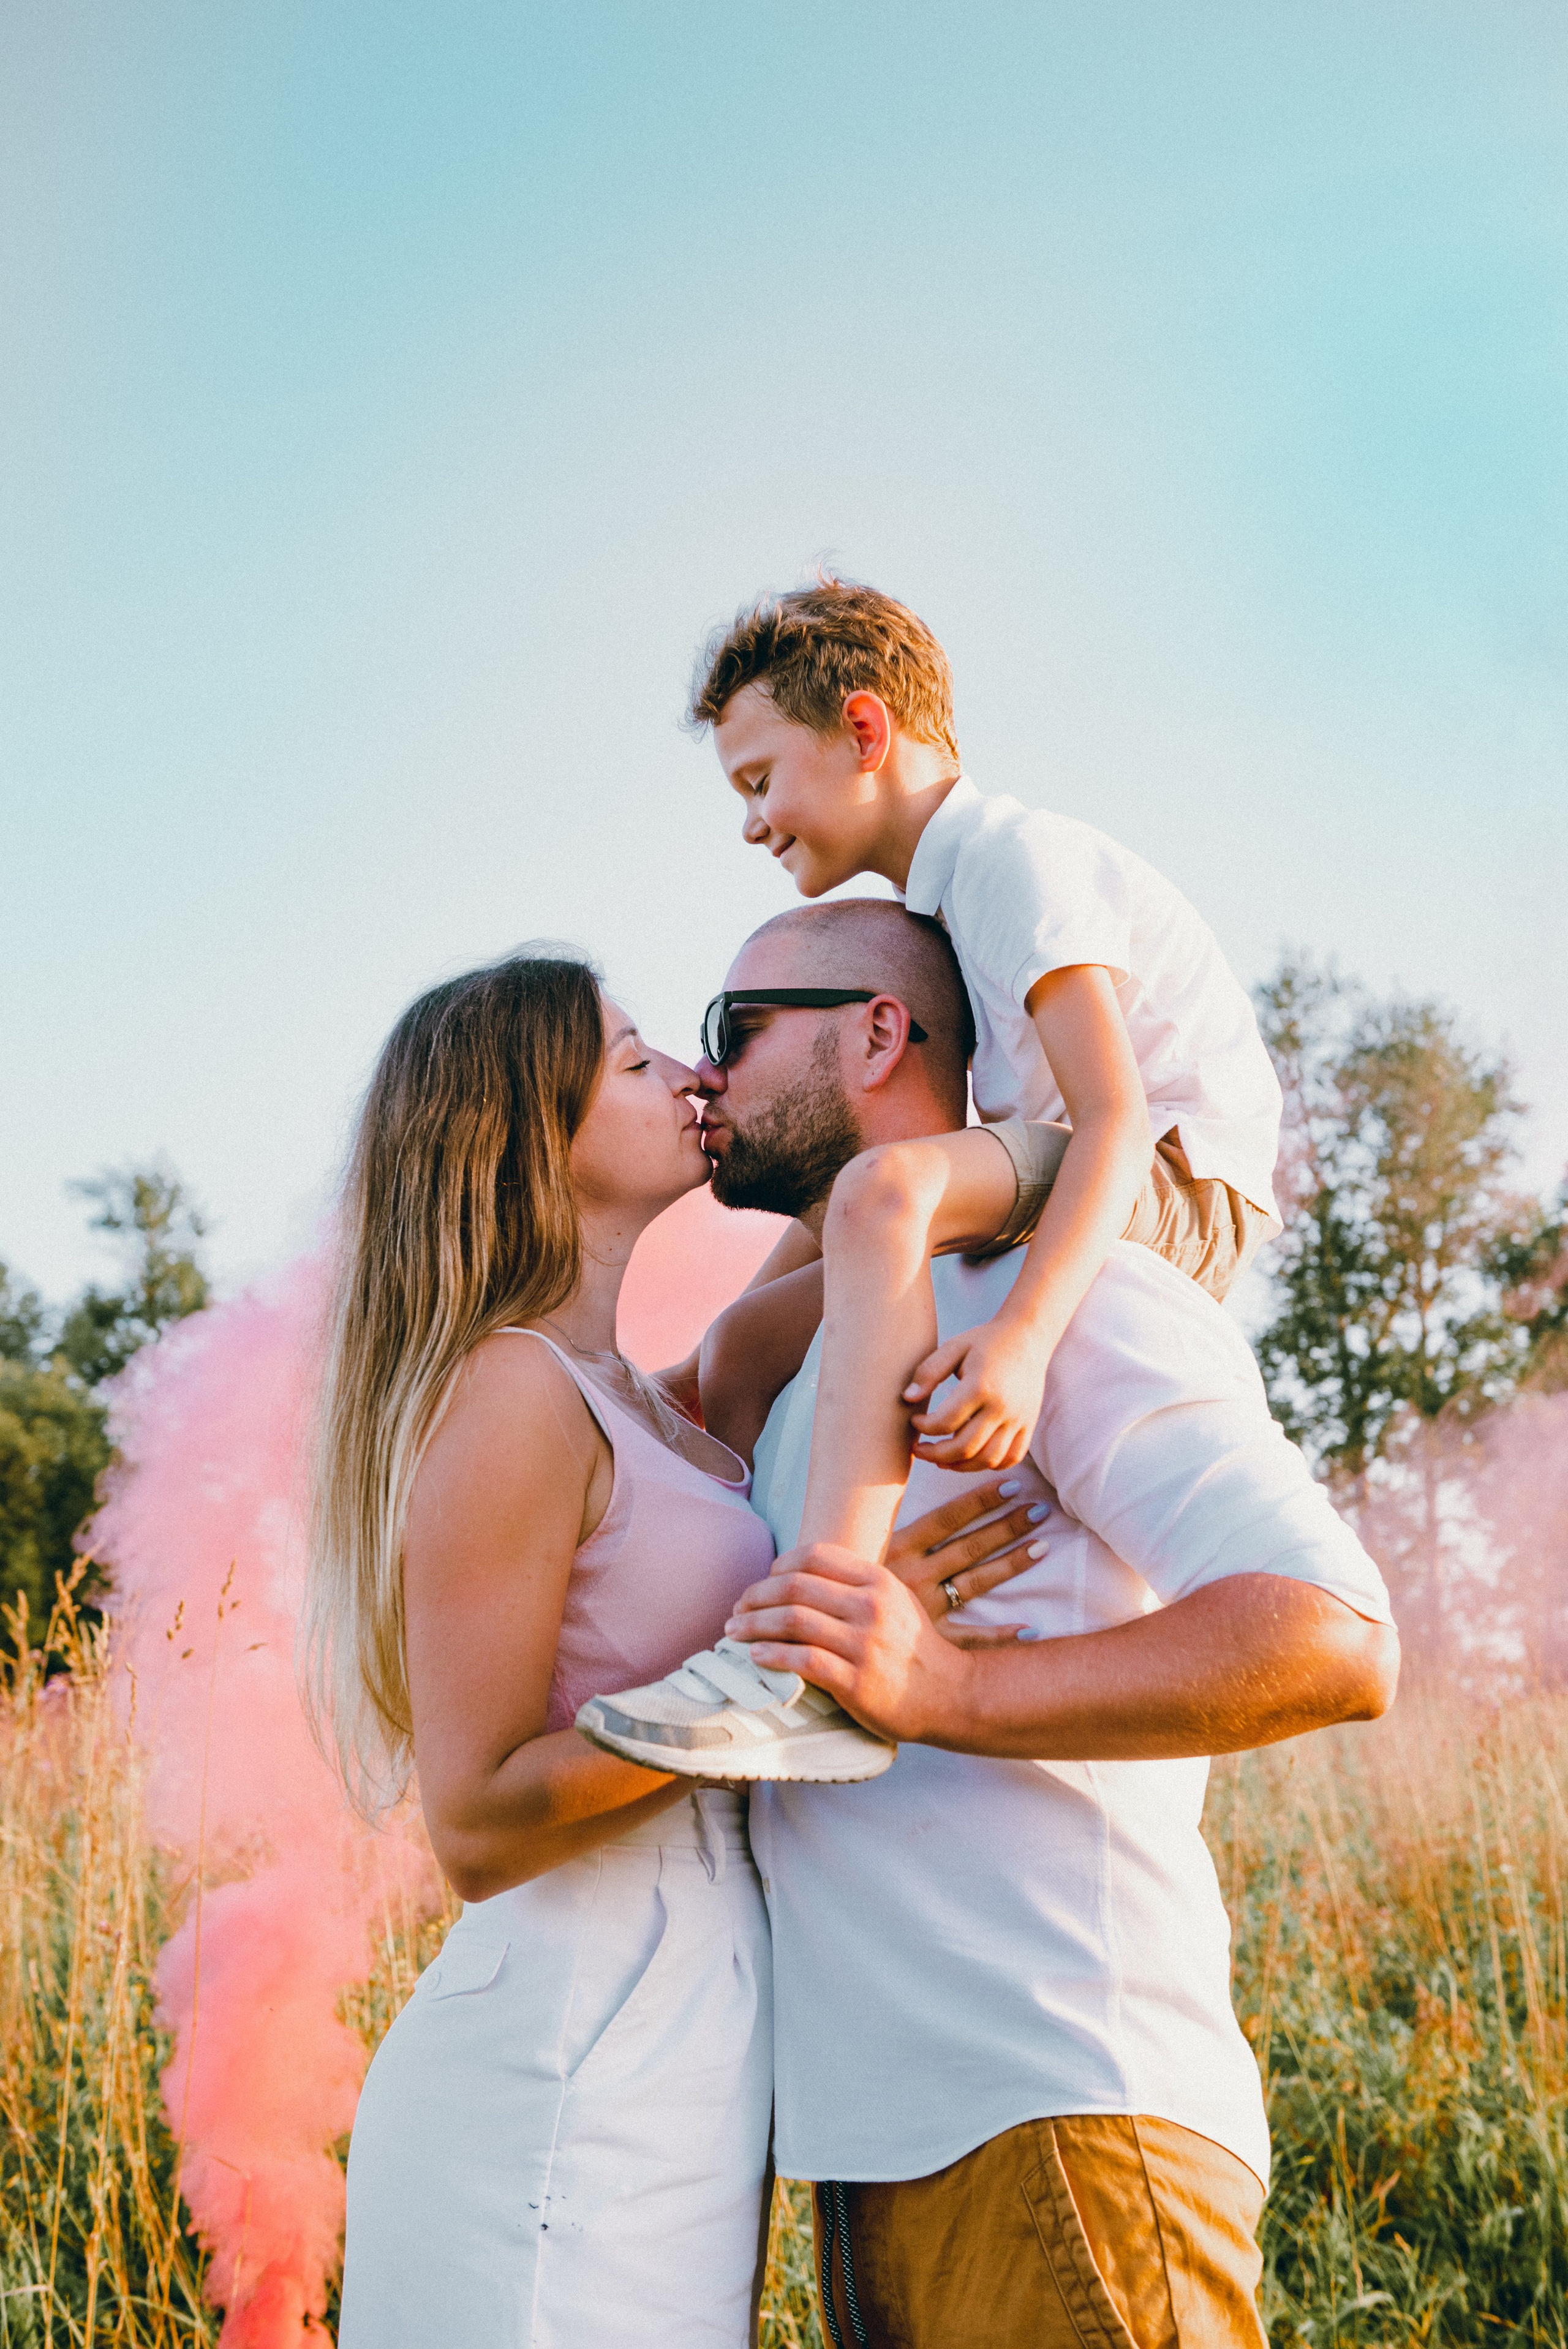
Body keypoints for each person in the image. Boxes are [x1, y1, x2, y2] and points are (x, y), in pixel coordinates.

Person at [602, 900, 1400, 2347]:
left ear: (876, 1031)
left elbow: (1332, 1632)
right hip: (872, 2161)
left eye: (737, 1030)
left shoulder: (1057, 1300)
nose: (706, 1075)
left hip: (1061, 2111)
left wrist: (947, 1691)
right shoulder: (805, 1377)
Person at [303, 946, 1044, 2348]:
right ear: (534, 1133)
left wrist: (1101, 1110)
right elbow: (472, 1819)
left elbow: (884, 1211)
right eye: (639, 1060)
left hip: (684, 2037)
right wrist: (787, 1672)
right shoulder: (511, 1393)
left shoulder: (663, 1395)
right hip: (559, 2054)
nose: (693, 1077)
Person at [689, 576, 1286, 1574]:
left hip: (1179, 1177)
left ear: (864, 731)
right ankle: (732, 1595)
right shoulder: (946, 907)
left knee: (892, 1191)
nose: (753, 823)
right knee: (742, 1345)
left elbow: (1115, 1115)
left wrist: (1022, 1337)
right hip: (1067, 1168)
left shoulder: (1013, 863)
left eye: (759, 781)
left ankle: (830, 1590)